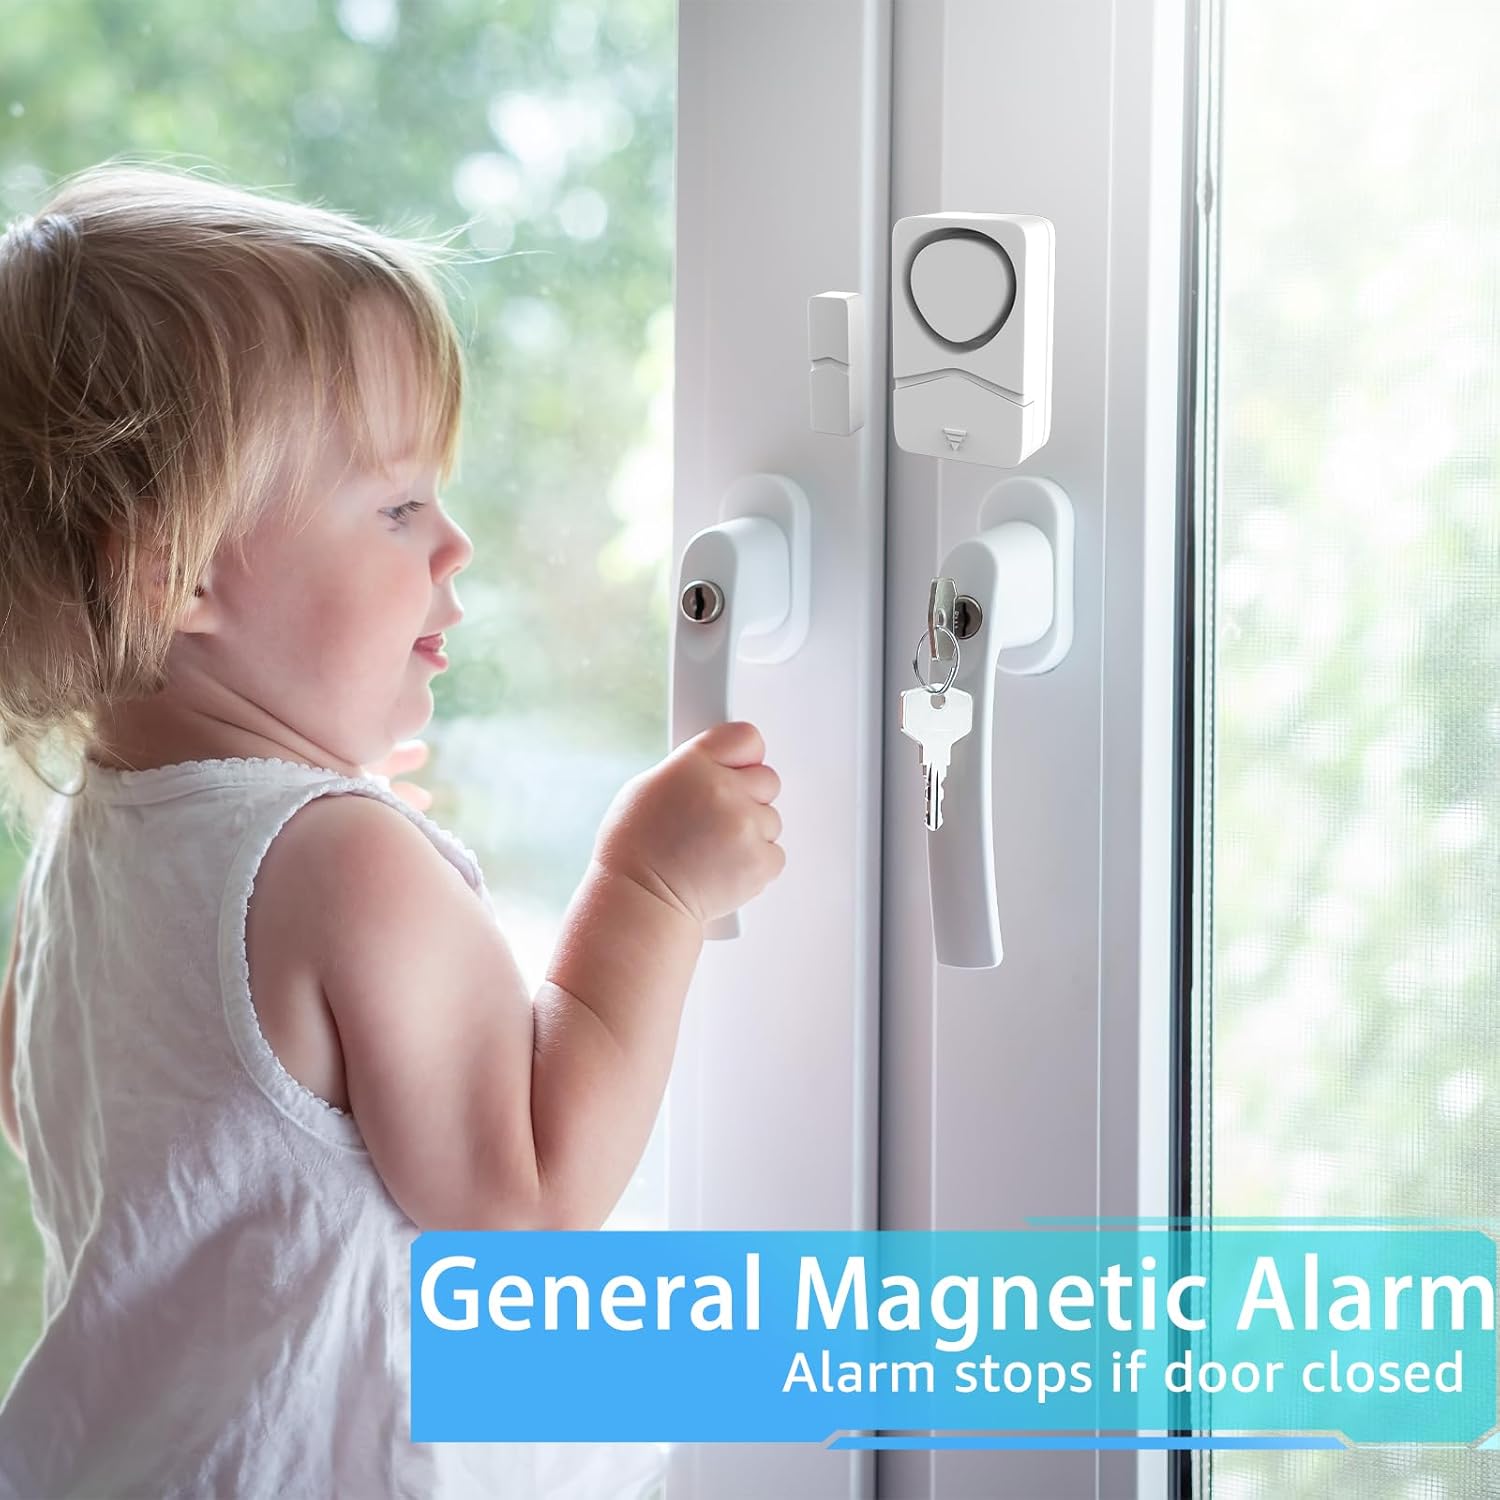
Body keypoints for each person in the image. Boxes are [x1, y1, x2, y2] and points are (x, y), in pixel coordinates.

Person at [0, 162, 785, 1498]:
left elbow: (70, 1121)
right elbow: (525, 1209)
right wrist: (648, 890)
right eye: (398, 505)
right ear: (173, 571)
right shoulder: (339, 862)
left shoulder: (85, 847)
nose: (454, 544)